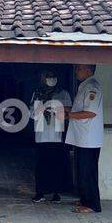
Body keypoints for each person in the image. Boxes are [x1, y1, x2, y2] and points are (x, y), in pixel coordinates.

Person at [62, 64, 103, 213]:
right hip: (81, 138)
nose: (76, 71)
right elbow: (80, 108)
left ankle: (92, 205)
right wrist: (67, 109)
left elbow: (90, 113)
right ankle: (85, 200)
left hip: (89, 139)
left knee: (88, 172)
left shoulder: (92, 87)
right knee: (82, 171)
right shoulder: (83, 86)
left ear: (88, 70)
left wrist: (68, 115)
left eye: (79, 69)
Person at [30, 70, 72, 203]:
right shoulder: (37, 93)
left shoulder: (63, 93)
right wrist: (41, 109)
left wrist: (57, 110)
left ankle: (56, 193)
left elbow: (69, 112)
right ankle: (40, 193)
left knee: (57, 165)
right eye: (48, 77)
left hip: (57, 135)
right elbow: (31, 113)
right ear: (43, 78)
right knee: (41, 165)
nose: (51, 79)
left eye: (53, 77)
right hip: (41, 135)